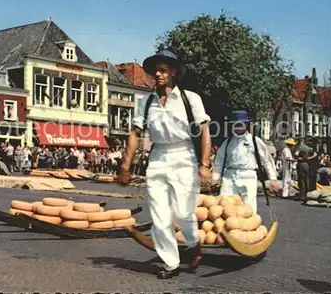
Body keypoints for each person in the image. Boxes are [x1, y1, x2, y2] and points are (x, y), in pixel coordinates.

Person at [118, 50, 212, 279]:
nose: (157, 75)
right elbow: (135, 133)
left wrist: (205, 165)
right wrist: (125, 166)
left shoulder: (190, 99)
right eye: (155, 71)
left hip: (184, 155)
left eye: (162, 70)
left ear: (173, 72)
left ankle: (193, 243)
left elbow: (204, 131)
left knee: (184, 212)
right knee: (160, 214)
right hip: (158, 156)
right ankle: (171, 263)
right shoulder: (147, 101)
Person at [212, 110, 279, 214]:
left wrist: (273, 178)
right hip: (229, 176)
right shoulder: (228, 142)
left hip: (248, 175)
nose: (238, 127)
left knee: (249, 205)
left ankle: (249, 228)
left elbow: (266, 160)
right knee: (225, 203)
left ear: (246, 125)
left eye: (240, 124)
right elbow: (219, 161)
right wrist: (215, 178)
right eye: (236, 125)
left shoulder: (255, 141)